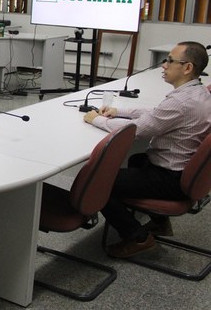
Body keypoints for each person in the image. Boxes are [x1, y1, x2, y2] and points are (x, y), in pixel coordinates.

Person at [83, 41, 211, 258]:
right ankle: (160, 223)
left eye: (170, 60)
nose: (164, 65)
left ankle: (137, 238)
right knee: (136, 159)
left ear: (187, 68)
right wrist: (119, 110)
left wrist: (95, 119)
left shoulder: (181, 102)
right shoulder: (196, 93)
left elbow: (135, 131)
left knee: (98, 183)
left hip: (171, 178)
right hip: (181, 169)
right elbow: (156, 113)